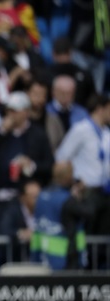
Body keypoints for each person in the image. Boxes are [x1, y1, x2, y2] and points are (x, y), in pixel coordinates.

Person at [0, 92, 54, 235]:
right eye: (9, 110)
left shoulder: (38, 134)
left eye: (15, 111)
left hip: (25, 201)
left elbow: (49, 164)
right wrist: (2, 131)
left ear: (26, 112)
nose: (11, 115)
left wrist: (31, 165)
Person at [56, 95, 110, 235]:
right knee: (86, 233)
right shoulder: (80, 129)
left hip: (104, 192)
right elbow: (62, 158)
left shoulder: (107, 133)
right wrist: (72, 182)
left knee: (102, 235)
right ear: (100, 109)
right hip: (85, 191)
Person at [31, 162, 94, 270]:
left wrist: (35, 257)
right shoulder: (67, 200)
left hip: (42, 257)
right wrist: (83, 194)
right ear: (68, 177)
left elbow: (37, 227)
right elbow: (90, 212)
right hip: (65, 260)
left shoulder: (41, 196)